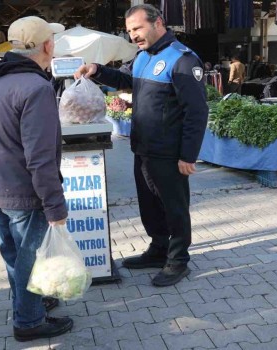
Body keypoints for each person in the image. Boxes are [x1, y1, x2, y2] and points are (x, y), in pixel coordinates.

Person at [74, 4, 208, 287]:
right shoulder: (143, 56)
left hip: (170, 153)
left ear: (158, 22)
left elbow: (196, 112)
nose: (133, 35)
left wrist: (188, 155)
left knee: (174, 206)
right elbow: (126, 81)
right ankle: (158, 249)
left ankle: (178, 259)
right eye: (129, 31)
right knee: (149, 205)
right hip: (143, 148)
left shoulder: (182, 60)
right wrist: (97, 70)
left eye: (137, 28)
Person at [0, 16, 72, 342]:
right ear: (48, 46)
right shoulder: (37, 88)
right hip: (25, 193)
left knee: (14, 255)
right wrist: (55, 207)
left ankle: (29, 303)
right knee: (29, 258)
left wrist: (1, 148)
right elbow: (40, 159)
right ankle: (28, 322)